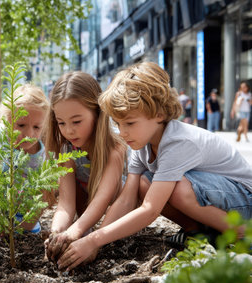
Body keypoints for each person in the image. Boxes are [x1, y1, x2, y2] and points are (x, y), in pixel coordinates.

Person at [57, 62, 252, 271]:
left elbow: (150, 209)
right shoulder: (142, 143)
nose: (122, 133)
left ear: (159, 114)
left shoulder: (178, 142)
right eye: (118, 124)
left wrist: (93, 240)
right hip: (218, 198)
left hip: (243, 199)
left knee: (176, 188)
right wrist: (97, 242)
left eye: (129, 123)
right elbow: (127, 198)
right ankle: (200, 233)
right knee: (143, 184)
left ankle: (242, 233)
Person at [44, 71, 126, 263]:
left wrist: (76, 232)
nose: (69, 130)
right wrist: (56, 232)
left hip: (117, 210)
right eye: (61, 123)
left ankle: (90, 238)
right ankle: (82, 233)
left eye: (77, 121)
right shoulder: (68, 149)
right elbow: (66, 204)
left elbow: (102, 200)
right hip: (85, 207)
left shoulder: (115, 146)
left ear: (97, 114)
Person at [0, 84, 50, 233]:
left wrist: (29, 222)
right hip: (1, 203)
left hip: (26, 209)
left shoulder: (43, 150)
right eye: (21, 125)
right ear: (7, 120)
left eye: (37, 127)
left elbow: (45, 192)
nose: (29, 134)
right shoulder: (0, 134)